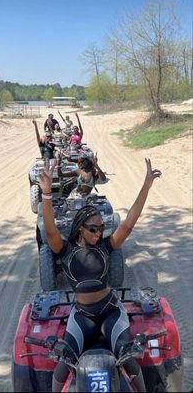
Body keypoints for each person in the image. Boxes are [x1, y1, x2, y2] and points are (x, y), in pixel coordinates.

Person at [38, 158, 162, 392]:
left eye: (100, 228)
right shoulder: (64, 251)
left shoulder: (106, 247)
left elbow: (129, 223)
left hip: (110, 312)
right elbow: (50, 228)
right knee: (63, 367)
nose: (98, 233)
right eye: (92, 229)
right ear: (80, 228)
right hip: (82, 315)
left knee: (129, 358)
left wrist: (146, 186)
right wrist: (46, 194)